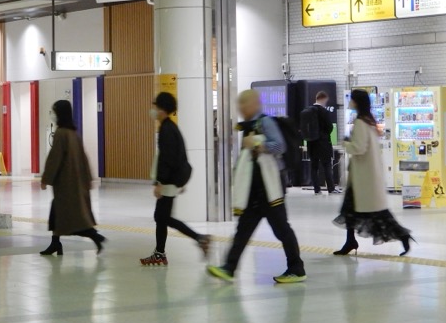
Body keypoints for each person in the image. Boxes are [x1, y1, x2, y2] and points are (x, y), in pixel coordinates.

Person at [208, 90, 306, 284]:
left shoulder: (265, 122)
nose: (241, 109)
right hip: (255, 190)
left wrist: (257, 144)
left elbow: (280, 146)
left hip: (270, 189)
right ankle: (229, 267)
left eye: (243, 105)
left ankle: (296, 268)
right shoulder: (249, 125)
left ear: (253, 104)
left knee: (282, 229)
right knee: (243, 230)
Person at [333, 90, 413, 256]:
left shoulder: (360, 123)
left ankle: (403, 235)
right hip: (364, 176)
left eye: (351, 99)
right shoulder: (369, 121)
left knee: (377, 213)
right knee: (350, 211)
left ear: (356, 102)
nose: (349, 102)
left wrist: (345, 144)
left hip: (363, 178)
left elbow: (359, 148)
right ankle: (350, 240)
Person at [140, 92, 210, 266]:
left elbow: (167, 159)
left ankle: (199, 238)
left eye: (155, 106)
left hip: (168, 182)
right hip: (171, 180)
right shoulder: (170, 127)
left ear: (162, 109)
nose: (153, 110)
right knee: (161, 217)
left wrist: (160, 183)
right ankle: (160, 253)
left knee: (163, 217)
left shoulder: (167, 130)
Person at [39, 100, 105, 255]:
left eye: (54, 111)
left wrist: (46, 179)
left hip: (65, 184)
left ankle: (95, 236)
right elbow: (84, 158)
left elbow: (54, 158)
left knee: (71, 218)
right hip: (75, 182)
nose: (52, 114)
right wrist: (88, 178)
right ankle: (55, 242)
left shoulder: (61, 133)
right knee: (57, 212)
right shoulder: (73, 133)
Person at [302, 91, 340, 195]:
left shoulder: (307, 111)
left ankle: (317, 189)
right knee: (327, 165)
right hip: (323, 143)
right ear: (323, 99)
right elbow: (330, 127)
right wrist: (324, 135)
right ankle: (331, 189)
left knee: (314, 167)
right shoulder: (324, 112)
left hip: (311, 143)